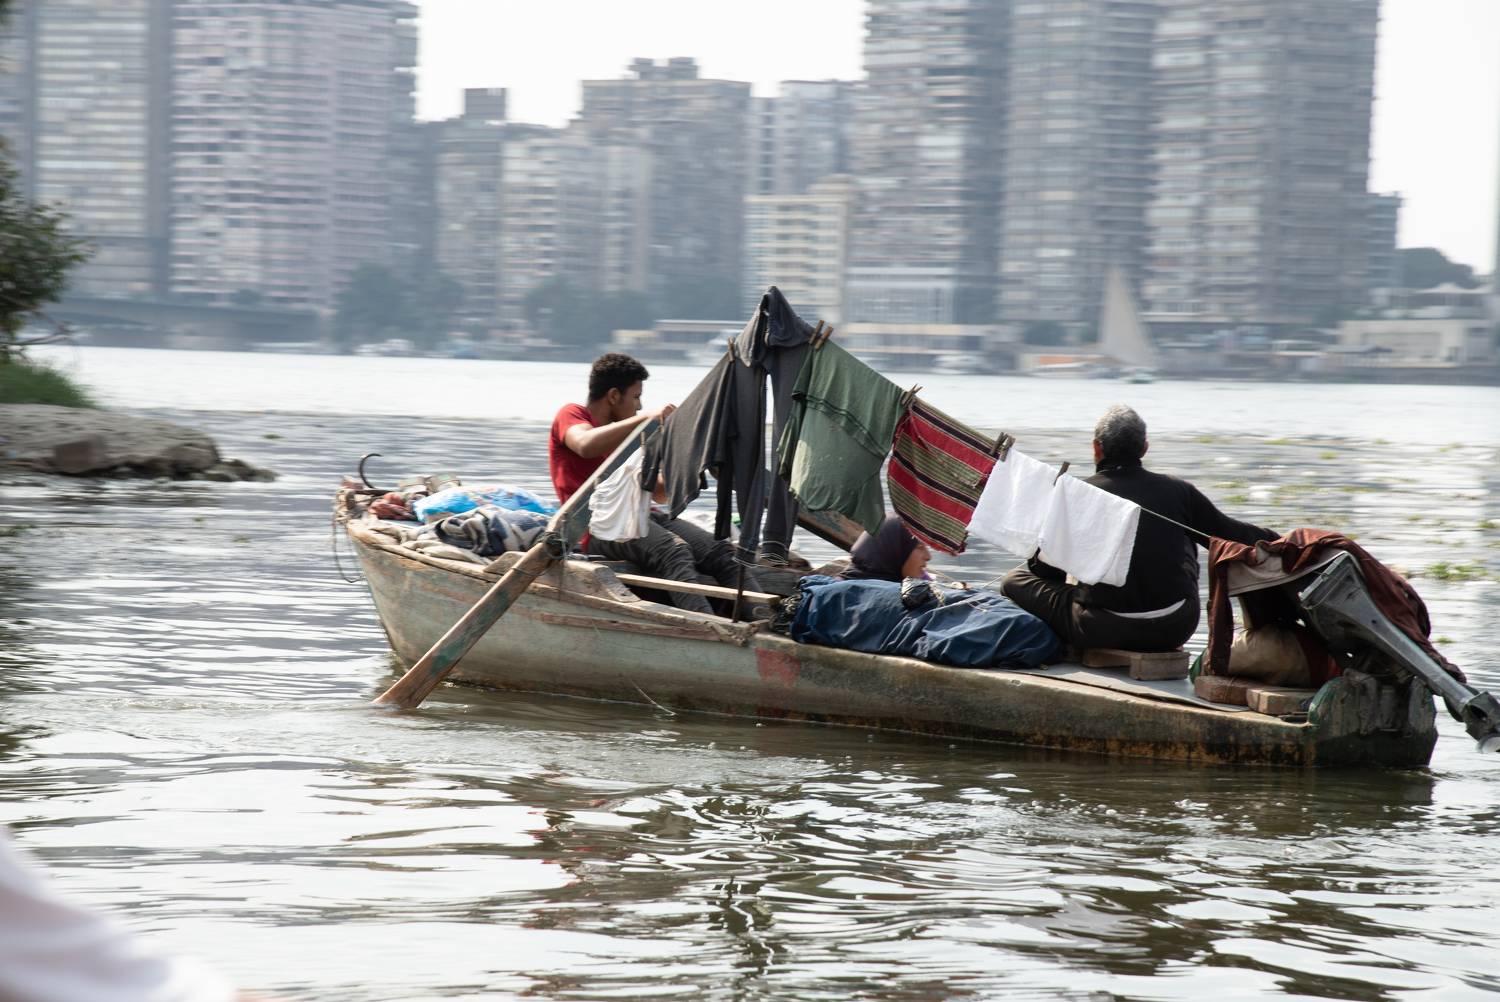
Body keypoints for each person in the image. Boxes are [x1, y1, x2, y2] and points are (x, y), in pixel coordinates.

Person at [1001, 405, 1277, 653]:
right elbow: (1231, 535)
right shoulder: (1178, 491)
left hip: (1099, 627)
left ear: (1096, 448)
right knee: (1185, 538)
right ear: (1144, 448)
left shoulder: (1075, 495)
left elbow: (1047, 573)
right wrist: (1279, 540)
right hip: (1173, 626)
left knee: (1013, 580)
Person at [549, 353, 759, 615]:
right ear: (613, 396)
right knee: (674, 551)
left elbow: (658, 492)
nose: (639, 406)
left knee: (722, 553)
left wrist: (691, 461)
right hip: (597, 526)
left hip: (642, 517)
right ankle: (708, 626)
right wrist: (646, 420)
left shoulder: (628, 433)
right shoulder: (573, 414)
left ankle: (763, 619)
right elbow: (585, 445)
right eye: (636, 397)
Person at [842, 516, 932, 583]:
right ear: (894, 552)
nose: (928, 556)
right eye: (920, 547)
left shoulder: (841, 585)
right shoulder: (893, 599)